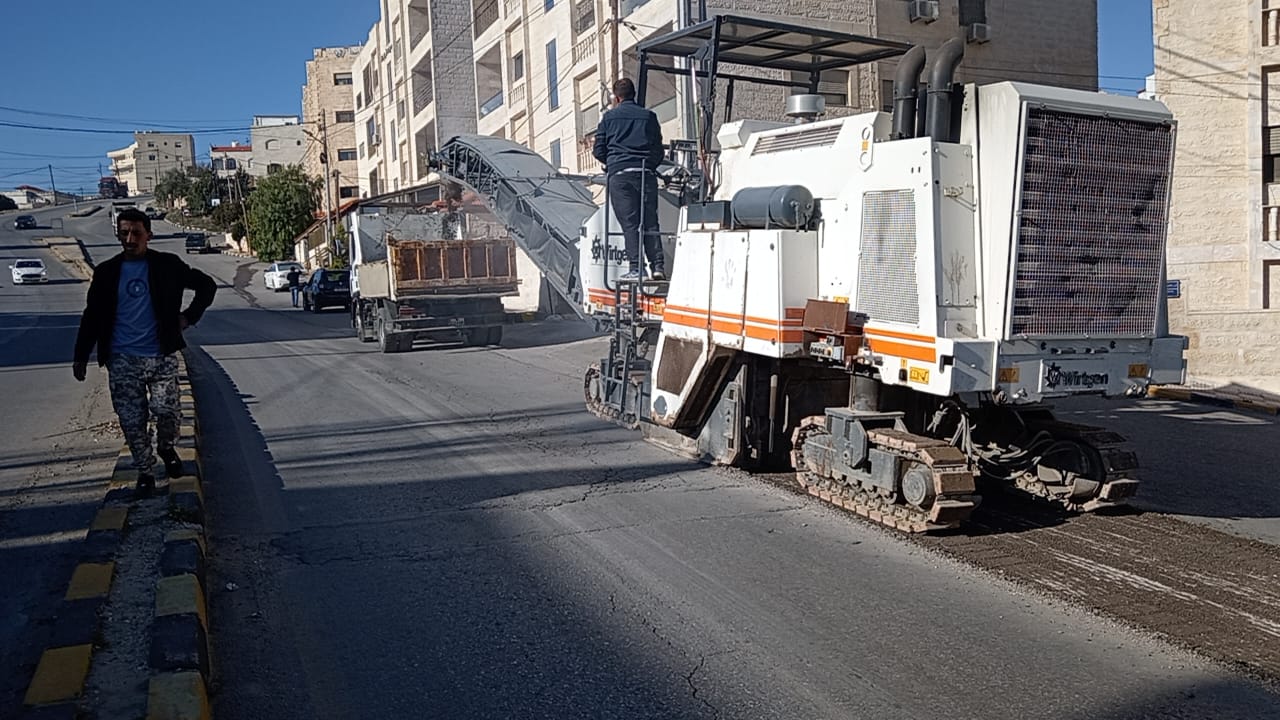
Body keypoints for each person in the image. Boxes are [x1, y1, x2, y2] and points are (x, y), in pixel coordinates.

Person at [73, 208, 217, 495]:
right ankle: (145, 470)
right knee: (131, 420)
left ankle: (166, 447)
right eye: (124, 233)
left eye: (136, 233)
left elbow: (206, 286)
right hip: (122, 359)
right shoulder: (106, 273)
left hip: (161, 354)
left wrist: (188, 317)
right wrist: (81, 355)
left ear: (148, 235)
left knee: (167, 411)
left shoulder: (168, 265)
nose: (130, 239)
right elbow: (92, 315)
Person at [592, 77, 666, 281]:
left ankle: (636, 268)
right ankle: (658, 267)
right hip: (645, 174)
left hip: (620, 176)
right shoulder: (649, 117)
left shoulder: (608, 118)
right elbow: (658, 151)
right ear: (634, 95)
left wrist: (613, 163)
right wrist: (649, 165)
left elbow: (598, 150)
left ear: (616, 98)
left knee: (630, 224)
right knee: (650, 221)